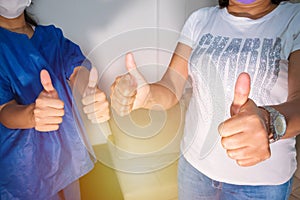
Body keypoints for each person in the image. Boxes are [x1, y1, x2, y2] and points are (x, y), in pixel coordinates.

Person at [110, 0, 300, 199]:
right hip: (194, 169)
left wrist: (269, 121)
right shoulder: (200, 20)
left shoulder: (294, 18)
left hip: (261, 183)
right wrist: (147, 96)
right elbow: (172, 86)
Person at [0, 0, 110, 199]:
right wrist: (32, 115)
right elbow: (4, 111)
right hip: (23, 172)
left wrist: (89, 92)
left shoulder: (52, 37)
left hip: (65, 160)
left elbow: (77, 70)